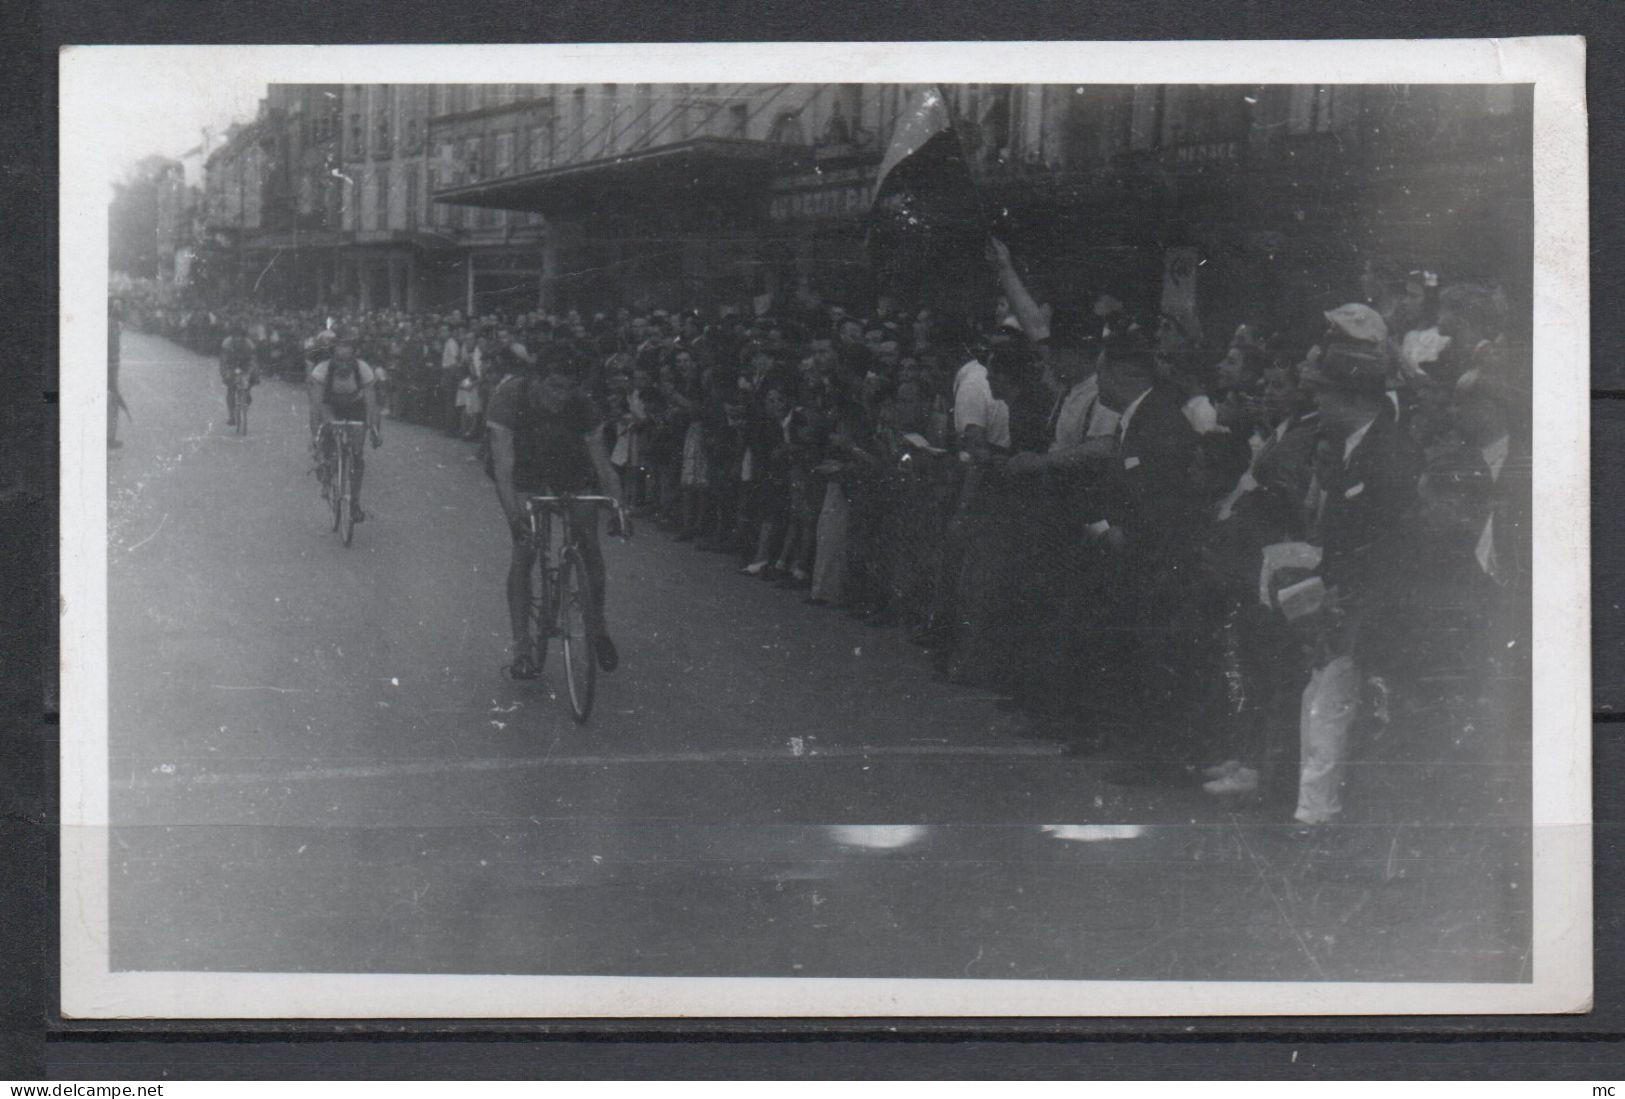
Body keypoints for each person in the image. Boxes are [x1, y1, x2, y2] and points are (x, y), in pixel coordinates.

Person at [486, 358, 626, 681]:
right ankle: (522, 647)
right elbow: (503, 470)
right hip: (522, 470)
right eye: (554, 387)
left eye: (568, 389)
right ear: (537, 379)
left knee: (589, 544)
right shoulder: (509, 399)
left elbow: (602, 464)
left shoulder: (582, 406)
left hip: (568, 465)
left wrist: (619, 506)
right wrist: (514, 515)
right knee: (525, 550)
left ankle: (598, 625)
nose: (561, 397)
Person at [307, 332, 382, 524]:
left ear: (354, 357)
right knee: (327, 437)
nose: (343, 364)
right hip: (330, 405)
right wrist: (320, 432)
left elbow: (371, 403)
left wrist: (373, 428)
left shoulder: (363, 369)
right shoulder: (321, 370)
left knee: (357, 455)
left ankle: (355, 503)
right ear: (332, 356)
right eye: (339, 359)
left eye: (348, 359)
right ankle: (327, 466)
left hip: (355, 406)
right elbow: (317, 405)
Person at [219, 324, 258, 428]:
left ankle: (245, 405)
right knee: (231, 390)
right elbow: (223, 360)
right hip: (232, 366)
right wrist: (225, 373)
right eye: (235, 336)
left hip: (245, 366)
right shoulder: (227, 343)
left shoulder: (249, 344)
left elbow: (253, 360)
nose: (238, 338)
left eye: (240, 336)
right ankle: (231, 416)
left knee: (248, 389)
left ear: (243, 337)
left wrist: (251, 372)